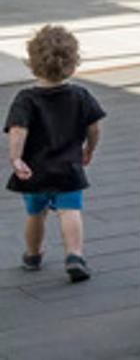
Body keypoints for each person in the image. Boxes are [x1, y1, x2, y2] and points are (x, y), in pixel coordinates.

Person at [6, 26, 104, 283]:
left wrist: (16, 158)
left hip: (34, 170)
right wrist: (89, 148)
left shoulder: (25, 99)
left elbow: (18, 130)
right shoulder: (80, 95)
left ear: (32, 64)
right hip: (69, 167)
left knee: (35, 213)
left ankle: (33, 254)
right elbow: (93, 127)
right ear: (72, 65)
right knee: (69, 210)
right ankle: (74, 255)